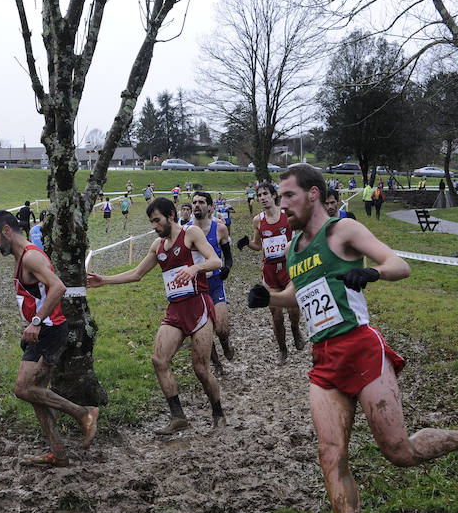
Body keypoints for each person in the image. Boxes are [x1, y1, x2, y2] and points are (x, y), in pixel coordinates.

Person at [247, 164, 458, 513]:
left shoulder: (342, 232)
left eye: (288, 196)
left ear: (314, 194)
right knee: (330, 455)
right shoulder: (292, 249)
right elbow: (295, 295)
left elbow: (399, 264)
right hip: (324, 362)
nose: (281, 204)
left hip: (361, 350)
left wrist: (371, 272)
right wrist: (268, 299)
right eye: (279, 197)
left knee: (399, 452)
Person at [87, 198, 226, 435]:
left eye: (157, 220)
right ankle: (177, 416)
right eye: (151, 222)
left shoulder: (190, 233)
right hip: (175, 310)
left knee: (201, 369)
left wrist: (194, 268)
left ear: (171, 216)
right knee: (159, 360)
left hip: (198, 305)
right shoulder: (157, 246)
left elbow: (216, 261)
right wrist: (104, 281)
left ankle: (218, 412)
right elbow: (138, 273)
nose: (154, 226)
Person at [0, 211, 100, 466]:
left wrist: (36, 322)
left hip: (49, 330)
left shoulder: (31, 256)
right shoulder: (22, 257)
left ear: (6, 231)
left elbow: (58, 287)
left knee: (23, 388)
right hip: (42, 330)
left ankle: (84, 414)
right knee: (35, 392)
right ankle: (58, 452)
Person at [236, 182, 304, 364]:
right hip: (270, 272)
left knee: (293, 308)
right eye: (259, 195)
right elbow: (258, 245)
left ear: (274, 196)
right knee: (276, 313)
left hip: (289, 267)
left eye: (265, 194)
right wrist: (246, 243)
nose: (262, 198)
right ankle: (282, 349)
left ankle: (296, 328)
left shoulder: (287, 215)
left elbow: (301, 235)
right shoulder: (258, 220)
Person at [189, 192, 235, 369]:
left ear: (210, 207)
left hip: (215, 283)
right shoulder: (185, 231)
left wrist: (227, 269)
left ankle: (225, 343)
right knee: (204, 331)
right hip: (196, 288)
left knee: (221, 328)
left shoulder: (220, 229)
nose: (196, 205)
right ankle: (217, 365)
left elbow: (229, 258)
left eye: (201, 202)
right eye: (194, 202)